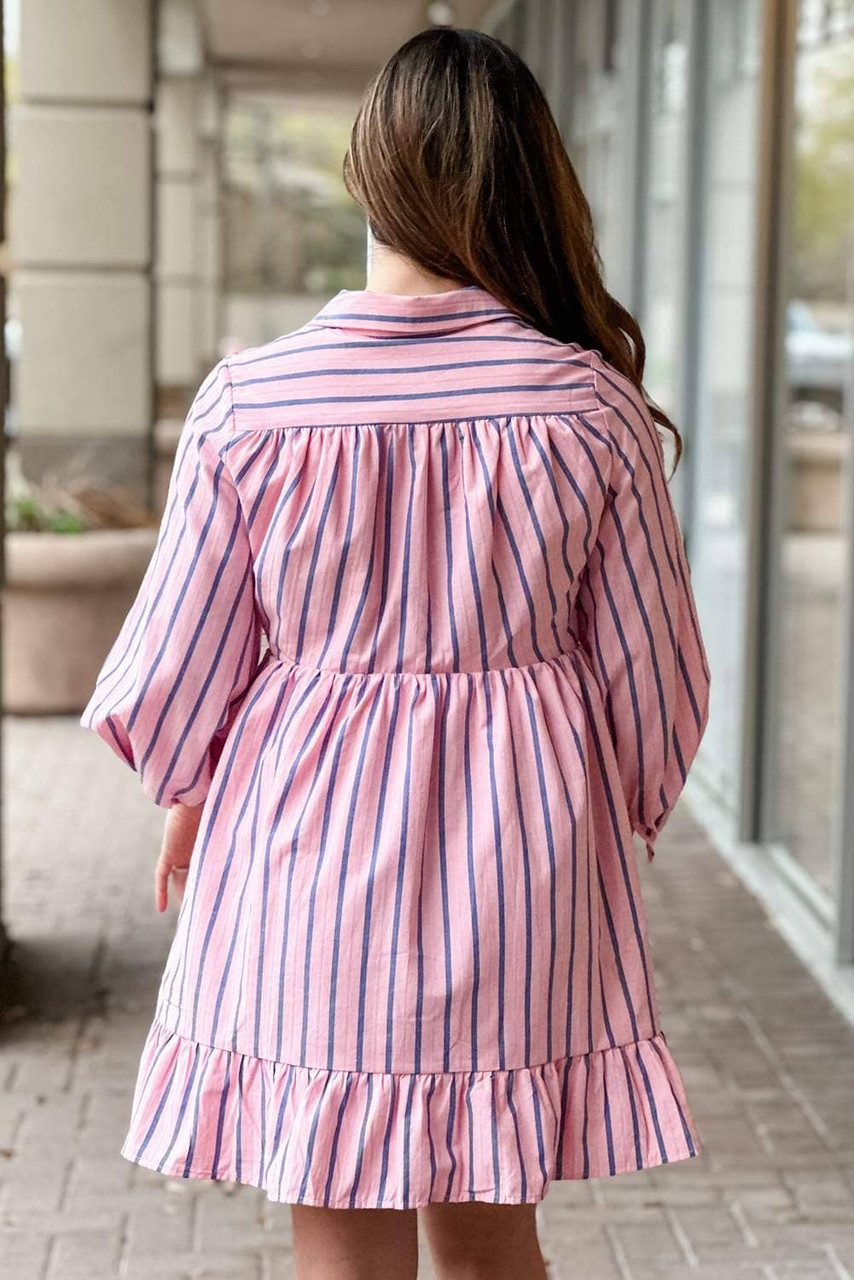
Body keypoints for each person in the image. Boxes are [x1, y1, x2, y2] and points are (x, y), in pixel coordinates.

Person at [80, 25, 711, 1280]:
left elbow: (173, 668)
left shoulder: (250, 401)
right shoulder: (587, 408)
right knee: (491, 1237)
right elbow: (659, 685)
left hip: (301, 851)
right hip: (520, 867)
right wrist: (616, 810)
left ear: (368, 179)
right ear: (526, 182)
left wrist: (193, 790)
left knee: (338, 1241)